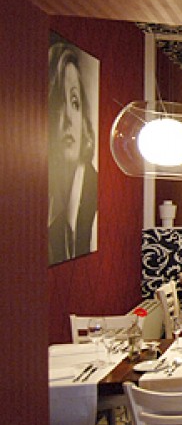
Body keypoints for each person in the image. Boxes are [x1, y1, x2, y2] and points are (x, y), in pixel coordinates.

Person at [48, 39, 97, 264]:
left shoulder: (92, 195)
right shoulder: (51, 206)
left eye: (75, 102)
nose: (68, 116)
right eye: (59, 102)